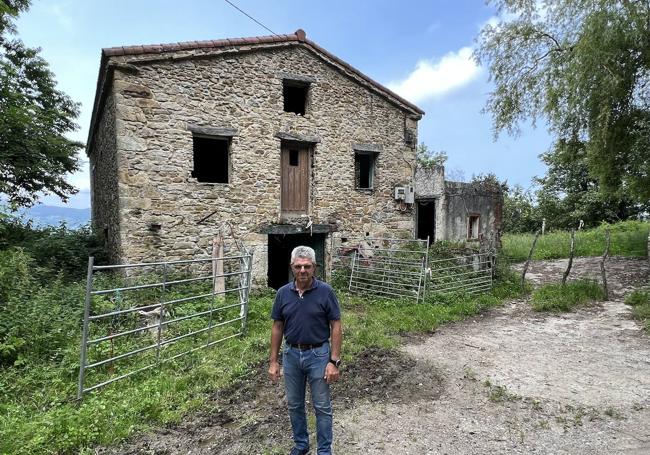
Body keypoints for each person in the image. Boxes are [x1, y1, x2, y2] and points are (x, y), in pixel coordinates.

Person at [269, 245, 342, 455]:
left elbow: (336, 325)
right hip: (291, 354)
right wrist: (274, 361)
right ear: (292, 267)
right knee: (294, 405)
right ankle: (301, 445)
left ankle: (324, 451)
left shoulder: (326, 292)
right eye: (299, 266)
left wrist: (333, 361)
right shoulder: (283, 293)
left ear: (314, 268)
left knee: (322, 406)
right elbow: (277, 327)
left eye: (307, 266)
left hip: (319, 354)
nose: (303, 271)